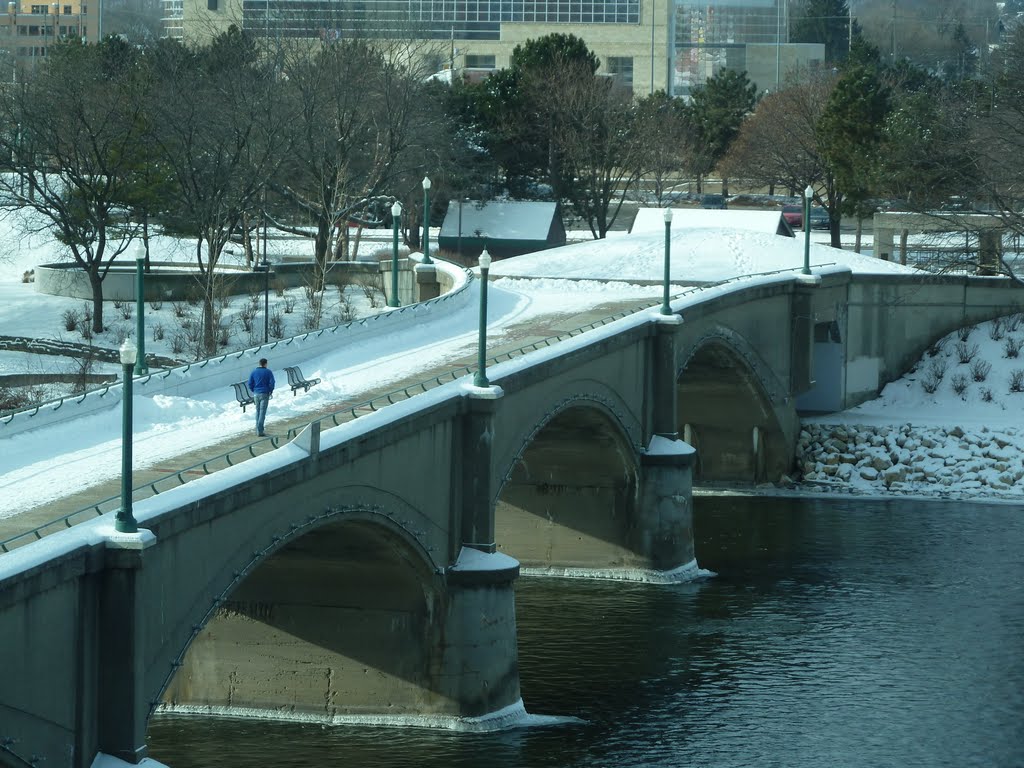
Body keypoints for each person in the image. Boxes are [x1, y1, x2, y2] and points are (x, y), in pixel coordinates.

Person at [247, 358, 275, 437]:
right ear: (265, 364)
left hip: (256, 393)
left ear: (259, 363)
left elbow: (250, 383)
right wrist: (270, 390)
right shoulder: (268, 372)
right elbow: (272, 382)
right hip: (265, 393)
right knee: (262, 412)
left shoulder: (253, 372)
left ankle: (258, 430)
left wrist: (254, 390)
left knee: (258, 411)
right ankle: (260, 430)